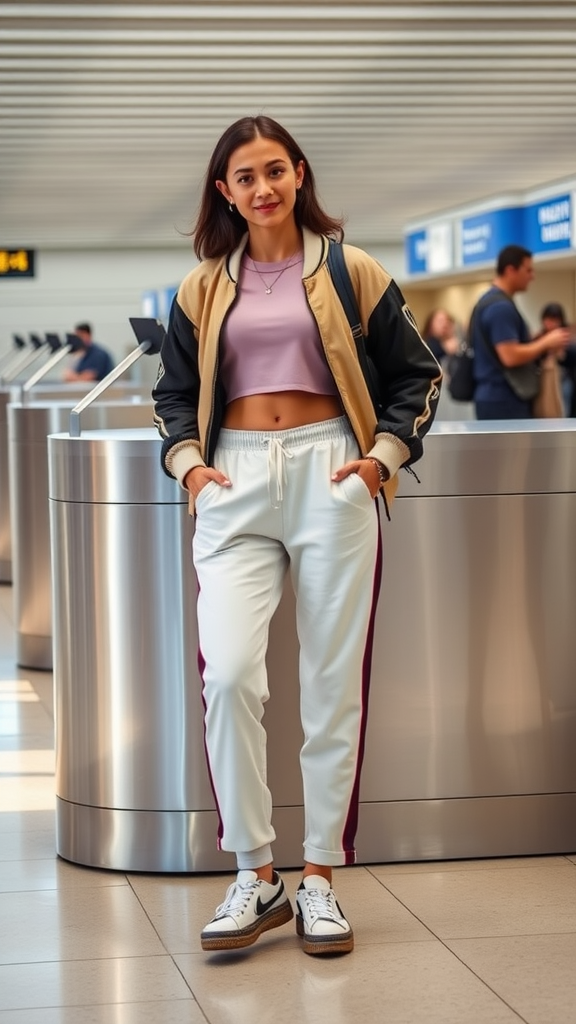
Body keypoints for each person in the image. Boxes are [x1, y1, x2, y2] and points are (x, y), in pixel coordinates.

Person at [152, 115, 441, 957]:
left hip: (331, 472)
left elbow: (417, 373)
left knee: (330, 683)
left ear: (299, 173)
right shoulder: (202, 287)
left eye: (275, 170)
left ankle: (318, 876)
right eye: (245, 177)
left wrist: (381, 459)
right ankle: (255, 872)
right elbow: (172, 396)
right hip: (234, 480)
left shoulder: (352, 269)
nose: (263, 187)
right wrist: (191, 466)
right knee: (231, 677)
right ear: (225, 191)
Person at [471, 245, 571, 420]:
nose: (532, 277)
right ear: (511, 270)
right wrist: (545, 343)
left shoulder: (489, 302)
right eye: (528, 270)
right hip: (504, 398)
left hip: (494, 396)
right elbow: (509, 356)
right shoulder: (501, 307)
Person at [534, 303, 576, 416]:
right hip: (543, 380)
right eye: (548, 319)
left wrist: (561, 351)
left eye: (554, 319)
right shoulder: (538, 337)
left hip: (563, 380)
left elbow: (571, 358)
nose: (550, 323)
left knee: (564, 409)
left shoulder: (567, 336)